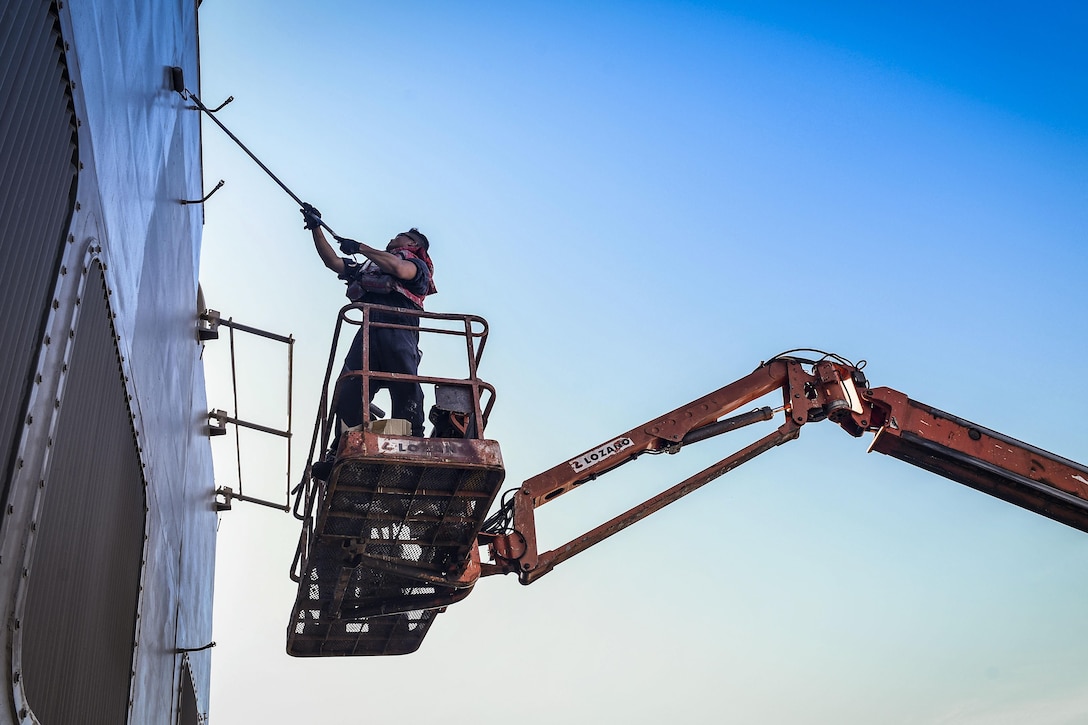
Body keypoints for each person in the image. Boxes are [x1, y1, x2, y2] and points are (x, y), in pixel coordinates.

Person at [301, 203, 436, 441]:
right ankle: (344, 443)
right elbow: (333, 262)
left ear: (412, 245)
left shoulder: (417, 266)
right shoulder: (370, 267)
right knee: (350, 387)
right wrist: (316, 228)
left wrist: (361, 247)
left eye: (399, 236)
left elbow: (398, 268)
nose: (393, 238)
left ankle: (413, 438)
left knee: (405, 385)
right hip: (368, 331)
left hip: (399, 329)